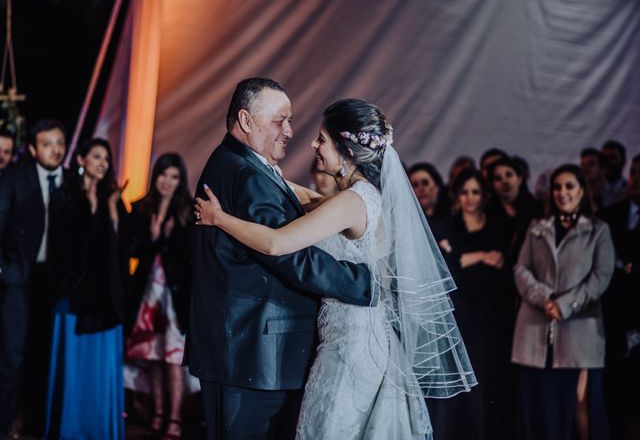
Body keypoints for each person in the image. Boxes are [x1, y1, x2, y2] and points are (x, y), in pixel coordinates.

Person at [196, 97, 476, 439]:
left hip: (351, 346)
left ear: (345, 150)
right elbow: (313, 201)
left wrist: (220, 219)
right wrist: (274, 178)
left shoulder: (351, 202)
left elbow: (275, 244)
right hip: (362, 336)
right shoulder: (366, 195)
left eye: (322, 140)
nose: (313, 144)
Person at [186, 78, 374, 440]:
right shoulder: (244, 173)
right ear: (245, 119)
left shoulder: (242, 164)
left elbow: (291, 199)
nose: (289, 131)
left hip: (251, 353)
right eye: (279, 120)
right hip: (250, 355)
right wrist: (364, 283)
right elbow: (290, 257)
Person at [512, 164, 614, 440]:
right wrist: (546, 299)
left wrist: (565, 305)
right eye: (558, 187)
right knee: (542, 410)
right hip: (537, 332)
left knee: (581, 411)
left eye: (569, 186)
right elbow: (521, 270)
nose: (563, 192)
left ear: (581, 190)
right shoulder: (537, 228)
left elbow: (601, 276)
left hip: (579, 330)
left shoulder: (598, 230)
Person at [45, 138, 128, 439]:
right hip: (72, 297)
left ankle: (97, 428)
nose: (103, 163)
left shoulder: (114, 198)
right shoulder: (64, 196)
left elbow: (122, 250)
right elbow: (60, 247)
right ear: (80, 160)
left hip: (104, 299)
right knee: (72, 366)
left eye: (106, 158)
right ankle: (69, 428)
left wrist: (112, 211)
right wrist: (70, 287)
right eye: (96, 156)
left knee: (99, 370)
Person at [429, 168, 514, 440]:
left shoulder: (498, 225)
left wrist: (461, 256)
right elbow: (445, 268)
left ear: (484, 195)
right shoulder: (446, 225)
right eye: (464, 192)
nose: (469, 198)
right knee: (466, 384)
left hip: (493, 315)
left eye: (475, 192)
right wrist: (479, 255)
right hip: (461, 316)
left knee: (491, 383)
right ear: (456, 195)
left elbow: (501, 262)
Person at [0, 119, 66, 438]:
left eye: (59, 143)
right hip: (18, 280)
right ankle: (4, 423)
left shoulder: (72, 183)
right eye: (47, 143)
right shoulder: (14, 177)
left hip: (54, 284)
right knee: (13, 357)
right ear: (33, 148)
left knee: (45, 357)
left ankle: (37, 426)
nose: (55, 149)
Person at [125, 153, 192, 440]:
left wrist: (169, 236)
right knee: (151, 355)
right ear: (156, 177)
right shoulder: (141, 207)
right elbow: (130, 251)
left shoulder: (189, 211)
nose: (167, 181)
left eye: (174, 176)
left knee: (172, 358)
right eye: (164, 175)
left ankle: (175, 418)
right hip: (147, 293)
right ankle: (157, 411)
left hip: (174, 296)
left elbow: (191, 257)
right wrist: (151, 238)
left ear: (180, 181)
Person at [598, 152, 640, 440]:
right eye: (635, 172)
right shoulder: (610, 215)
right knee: (616, 399)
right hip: (614, 318)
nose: (636, 179)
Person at [408, 162, 450, 232]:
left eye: (425, 183)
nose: (421, 189)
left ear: (437, 187)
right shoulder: (409, 224)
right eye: (415, 185)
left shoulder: (453, 220)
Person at [601, 140, 628, 207]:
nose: (608, 161)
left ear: (624, 160)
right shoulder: (592, 191)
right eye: (604, 158)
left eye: (613, 157)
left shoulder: (631, 190)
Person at [580, 147, 606, 212]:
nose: (585, 168)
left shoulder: (615, 196)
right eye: (583, 164)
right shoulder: (578, 196)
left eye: (591, 164)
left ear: (602, 168)